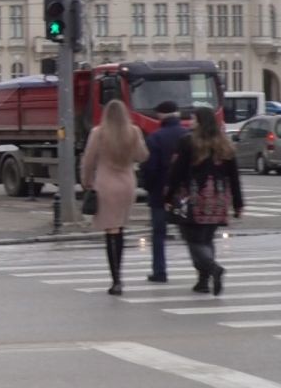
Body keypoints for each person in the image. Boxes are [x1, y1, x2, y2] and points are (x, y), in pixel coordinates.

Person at [164, 106, 243, 296]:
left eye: (193, 119)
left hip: (194, 197)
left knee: (193, 239)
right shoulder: (224, 144)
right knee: (206, 239)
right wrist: (238, 203)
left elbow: (177, 172)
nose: (190, 123)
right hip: (218, 199)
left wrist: (168, 195)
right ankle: (203, 281)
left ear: (199, 122)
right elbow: (234, 177)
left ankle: (212, 268)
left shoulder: (188, 142)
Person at [82, 100, 149, 296]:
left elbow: (88, 160)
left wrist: (86, 181)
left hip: (105, 185)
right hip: (127, 184)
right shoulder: (133, 132)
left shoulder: (99, 133)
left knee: (110, 231)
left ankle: (116, 279)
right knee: (119, 228)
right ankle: (119, 275)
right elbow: (143, 156)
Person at [140, 101, 189, 283]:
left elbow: (149, 168)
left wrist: (149, 187)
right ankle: (203, 269)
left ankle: (160, 271)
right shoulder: (188, 135)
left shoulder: (155, 138)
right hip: (185, 193)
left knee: (158, 233)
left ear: (160, 115)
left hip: (160, 192)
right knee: (191, 232)